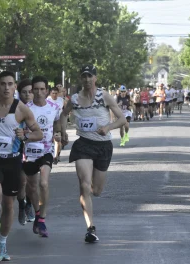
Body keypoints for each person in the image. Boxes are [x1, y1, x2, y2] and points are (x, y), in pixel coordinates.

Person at [0, 71, 43, 261]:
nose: (6, 88)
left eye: (10, 84)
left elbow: (38, 133)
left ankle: (2, 243)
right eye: (3, 84)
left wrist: (26, 136)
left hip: (13, 161)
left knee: (8, 204)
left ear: (15, 87)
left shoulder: (21, 110)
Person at [61, 64, 126, 243]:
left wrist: (108, 127)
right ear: (81, 79)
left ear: (95, 78)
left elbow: (122, 119)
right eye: (84, 76)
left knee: (96, 190)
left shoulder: (104, 96)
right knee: (84, 185)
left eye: (90, 76)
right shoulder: (74, 99)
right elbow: (63, 115)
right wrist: (63, 131)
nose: (87, 79)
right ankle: (90, 228)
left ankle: (89, 190)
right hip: (83, 145)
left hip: (103, 146)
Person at [22, 76, 61, 238]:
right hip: (29, 152)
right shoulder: (25, 108)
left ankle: (43, 219)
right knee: (31, 187)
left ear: (46, 90)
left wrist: (58, 135)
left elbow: (57, 123)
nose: (38, 92)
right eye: (35, 89)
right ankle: (37, 213)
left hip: (46, 151)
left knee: (43, 183)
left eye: (41, 89)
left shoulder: (53, 107)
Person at [16, 79, 36, 225]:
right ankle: (21, 205)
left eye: (30, 92)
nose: (28, 95)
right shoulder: (15, 107)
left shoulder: (38, 107)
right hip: (18, 148)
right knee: (21, 182)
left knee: (32, 183)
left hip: (35, 148)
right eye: (24, 92)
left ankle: (29, 204)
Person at [47, 87, 64, 164]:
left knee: (58, 139)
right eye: (53, 93)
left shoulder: (61, 100)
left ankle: (56, 156)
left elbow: (66, 108)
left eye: (56, 93)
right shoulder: (47, 100)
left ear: (58, 93)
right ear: (50, 93)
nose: (54, 95)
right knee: (50, 140)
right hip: (49, 121)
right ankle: (51, 154)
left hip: (58, 121)